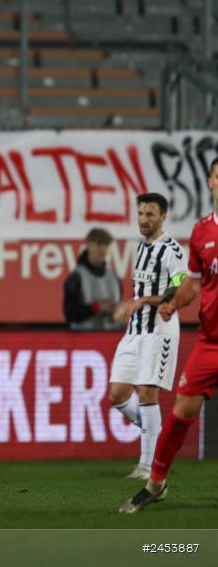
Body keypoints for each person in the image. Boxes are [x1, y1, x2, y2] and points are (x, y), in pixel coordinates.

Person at [120, 157, 218, 513]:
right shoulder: (203, 233)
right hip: (211, 341)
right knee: (181, 411)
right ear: (211, 182)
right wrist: (173, 304)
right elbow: (192, 283)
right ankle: (156, 483)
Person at [109, 193, 187, 480]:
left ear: (163, 216)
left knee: (146, 393)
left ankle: (146, 465)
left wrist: (144, 302)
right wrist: (129, 305)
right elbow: (140, 289)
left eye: (150, 214)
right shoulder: (141, 247)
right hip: (135, 330)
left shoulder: (172, 250)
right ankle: (155, 435)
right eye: (140, 214)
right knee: (117, 394)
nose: (143, 220)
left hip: (159, 329)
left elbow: (180, 286)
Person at [63, 228, 123, 330]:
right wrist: (96, 307)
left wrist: (120, 311)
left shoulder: (114, 278)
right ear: (88, 245)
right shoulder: (76, 278)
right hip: (84, 338)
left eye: (106, 245)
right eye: (99, 244)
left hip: (111, 337)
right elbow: (70, 314)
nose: (103, 250)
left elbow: (118, 313)